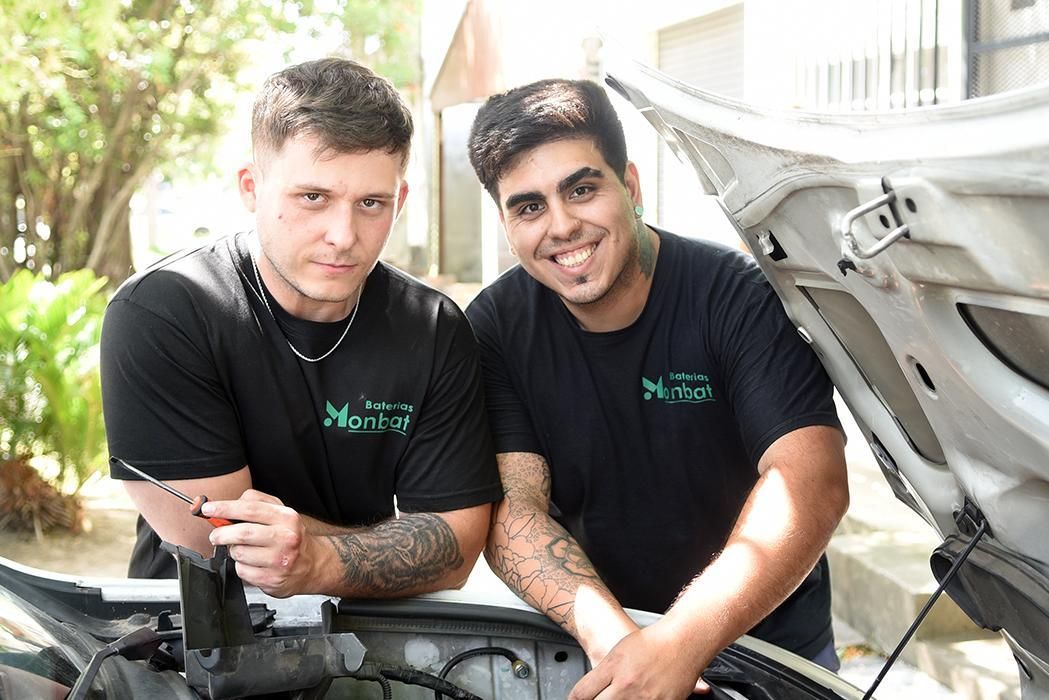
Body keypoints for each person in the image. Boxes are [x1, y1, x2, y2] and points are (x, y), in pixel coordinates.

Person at [464, 78, 849, 699]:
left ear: (632, 188)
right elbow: (514, 509)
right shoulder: (495, 327)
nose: (562, 226)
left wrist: (679, 643)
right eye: (529, 207)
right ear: (507, 223)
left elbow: (810, 481)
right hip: (610, 640)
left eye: (582, 190)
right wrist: (624, 647)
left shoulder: (736, 296)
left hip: (770, 649)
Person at [100, 58, 502, 599]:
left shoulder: (433, 328)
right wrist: (383, 549)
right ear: (251, 187)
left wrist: (318, 561)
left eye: (371, 203)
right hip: (191, 629)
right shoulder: (165, 312)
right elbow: (214, 541)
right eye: (313, 198)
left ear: (400, 201)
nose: (343, 235)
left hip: (371, 633)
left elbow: (455, 550)